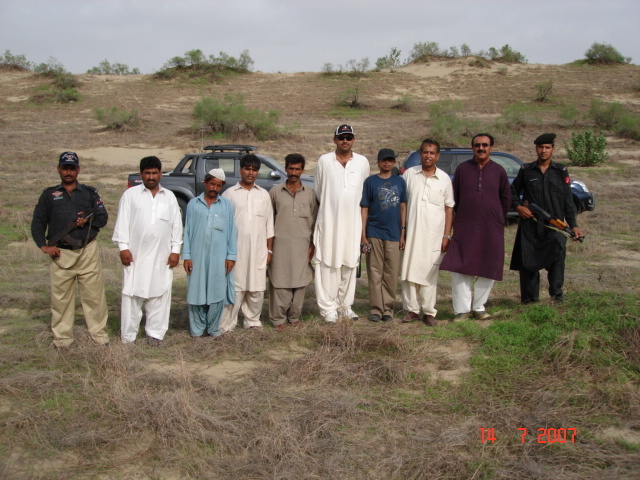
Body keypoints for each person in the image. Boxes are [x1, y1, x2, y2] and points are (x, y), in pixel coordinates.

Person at [31, 151, 110, 348]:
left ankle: (99, 337)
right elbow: (37, 223)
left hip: (87, 252)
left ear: (78, 170)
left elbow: (103, 219)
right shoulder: (49, 195)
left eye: (72, 168)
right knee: (61, 300)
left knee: (94, 297)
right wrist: (44, 246)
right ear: (59, 169)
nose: (68, 172)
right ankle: (63, 339)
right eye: (65, 168)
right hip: (61, 253)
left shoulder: (90, 194)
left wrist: (87, 221)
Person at [112, 156, 183, 346]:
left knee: (159, 294)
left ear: (160, 174)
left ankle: (155, 334)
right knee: (132, 295)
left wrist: (175, 250)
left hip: (162, 257)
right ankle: (128, 337)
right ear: (141, 174)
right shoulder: (130, 195)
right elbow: (123, 224)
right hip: (136, 256)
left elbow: (176, 226)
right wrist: (123, 248)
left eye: (154, 172)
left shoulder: (169, 197)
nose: (151, 176)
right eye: (147, 173)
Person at [440, 133, 512, 321]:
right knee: (460, 266)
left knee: (489, 266)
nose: (481, 148)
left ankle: (479, 306)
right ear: (472, 148)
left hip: (491, 228)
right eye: (477, 145)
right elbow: (455, 198)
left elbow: (506, 199)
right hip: (466, 227)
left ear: (491, 147)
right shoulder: (463, 170)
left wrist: (497, 218)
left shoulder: (499, 171)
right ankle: (462, 310)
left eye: (485, 145)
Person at [510, 133, 583, 304]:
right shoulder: (526, 170)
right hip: (531, 225)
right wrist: (519, 207)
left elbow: (568, 201)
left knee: (557, 257)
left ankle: (557, 294)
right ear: (536, 149)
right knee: (528, 261)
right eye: (541, 147)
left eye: (547, 148)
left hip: (554, 225)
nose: (544, 151)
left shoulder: (561, 171)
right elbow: (512, 192)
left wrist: (574, 225)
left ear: (553, 149)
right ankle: (529, 299)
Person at [313, 124, 370, 323]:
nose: (345, 140)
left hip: (352, 224)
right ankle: (328, 308)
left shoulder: (362, 162)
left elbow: (363, 193)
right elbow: (319, 191)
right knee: (328, 264)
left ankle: (345, 306)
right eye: (341, 137)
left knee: (349, 264)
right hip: (329, 222)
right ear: (335, 140)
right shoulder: (324, 161)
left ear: (353, 140)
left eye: (349, 137)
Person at [400, 139, 454, 326]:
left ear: (437, 156)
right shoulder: (409, 175)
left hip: (434, 236)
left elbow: (449, 208)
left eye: (432, 153)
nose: (428, 156)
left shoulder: (444, 179)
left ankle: (429, 312)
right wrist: (402, 231)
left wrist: (446, 235)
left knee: (430, 273)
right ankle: (412, 310)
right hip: (411, 234)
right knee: (409, 270)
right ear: (420, 154)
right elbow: (402, 204)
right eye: (425, 152)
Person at [219, 154, 274, 332]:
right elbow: (224, 226)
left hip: (259, 250)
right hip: (236, 251)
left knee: (257, 288)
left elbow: (269, 225)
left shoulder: (264, 195)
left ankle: (252, 321)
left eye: (254, 169)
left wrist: (269, 251)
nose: (250, 173)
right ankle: (227, 324)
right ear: (240, 170)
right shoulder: (229, 194)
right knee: (235, 288)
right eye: (247, 169)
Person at [183, 169, 237, 338]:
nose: (214, 188)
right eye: (212, 184)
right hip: (197, 256)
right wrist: (187, 256)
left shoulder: (226, 205)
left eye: (218, 185)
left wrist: (231, 256)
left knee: (217, 291)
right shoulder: (193, 204)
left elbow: (231, 233)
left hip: (219, 257)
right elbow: (188, 231)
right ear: (205, 183)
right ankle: (197, 329)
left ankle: (213, 328)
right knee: (196, 291)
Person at [268, 154, 318, 330]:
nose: (294, 172)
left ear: (302, 170)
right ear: (286, 169)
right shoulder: (275, 193)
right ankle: (278, 319)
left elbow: (315, 220)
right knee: (280, 281)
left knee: (300, 281)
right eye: (291, 168)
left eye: (297, 169)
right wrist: (269, 248)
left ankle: (294, 316)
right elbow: (267, 222)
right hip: (280, 246)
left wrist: (313, 244)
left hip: (302, 246)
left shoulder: (310, 194)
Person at [360, 148, 407, 322]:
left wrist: (402, 233)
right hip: (374, 232)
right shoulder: (370, 182)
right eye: (383, 160)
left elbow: (403, 207)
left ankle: (388, 309)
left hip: (394, 234)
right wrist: (363, 235)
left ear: (394, 162)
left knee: (391, 272)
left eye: (390, 160)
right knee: (374, 272)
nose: (387, 163)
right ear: (378, 162)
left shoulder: (400, 182)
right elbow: (364, 209)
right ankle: (375, 308)